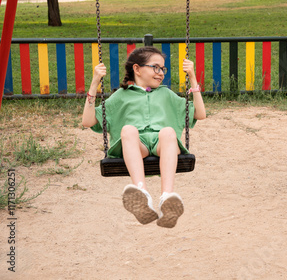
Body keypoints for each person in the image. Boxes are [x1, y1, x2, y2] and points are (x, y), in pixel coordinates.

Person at [82, 46, 206, 228]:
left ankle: (167, 198)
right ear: (137, 69)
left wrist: (192, 77)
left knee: (168, 132)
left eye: (163, 69)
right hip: (137, 146)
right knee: (128, 130)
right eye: (155, 67)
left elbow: (200, 114)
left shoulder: (166, 93)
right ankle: (141, 195)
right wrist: (95, 82)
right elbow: (87, 121)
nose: (161, 73)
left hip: (162, 145)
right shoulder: (121, 96)